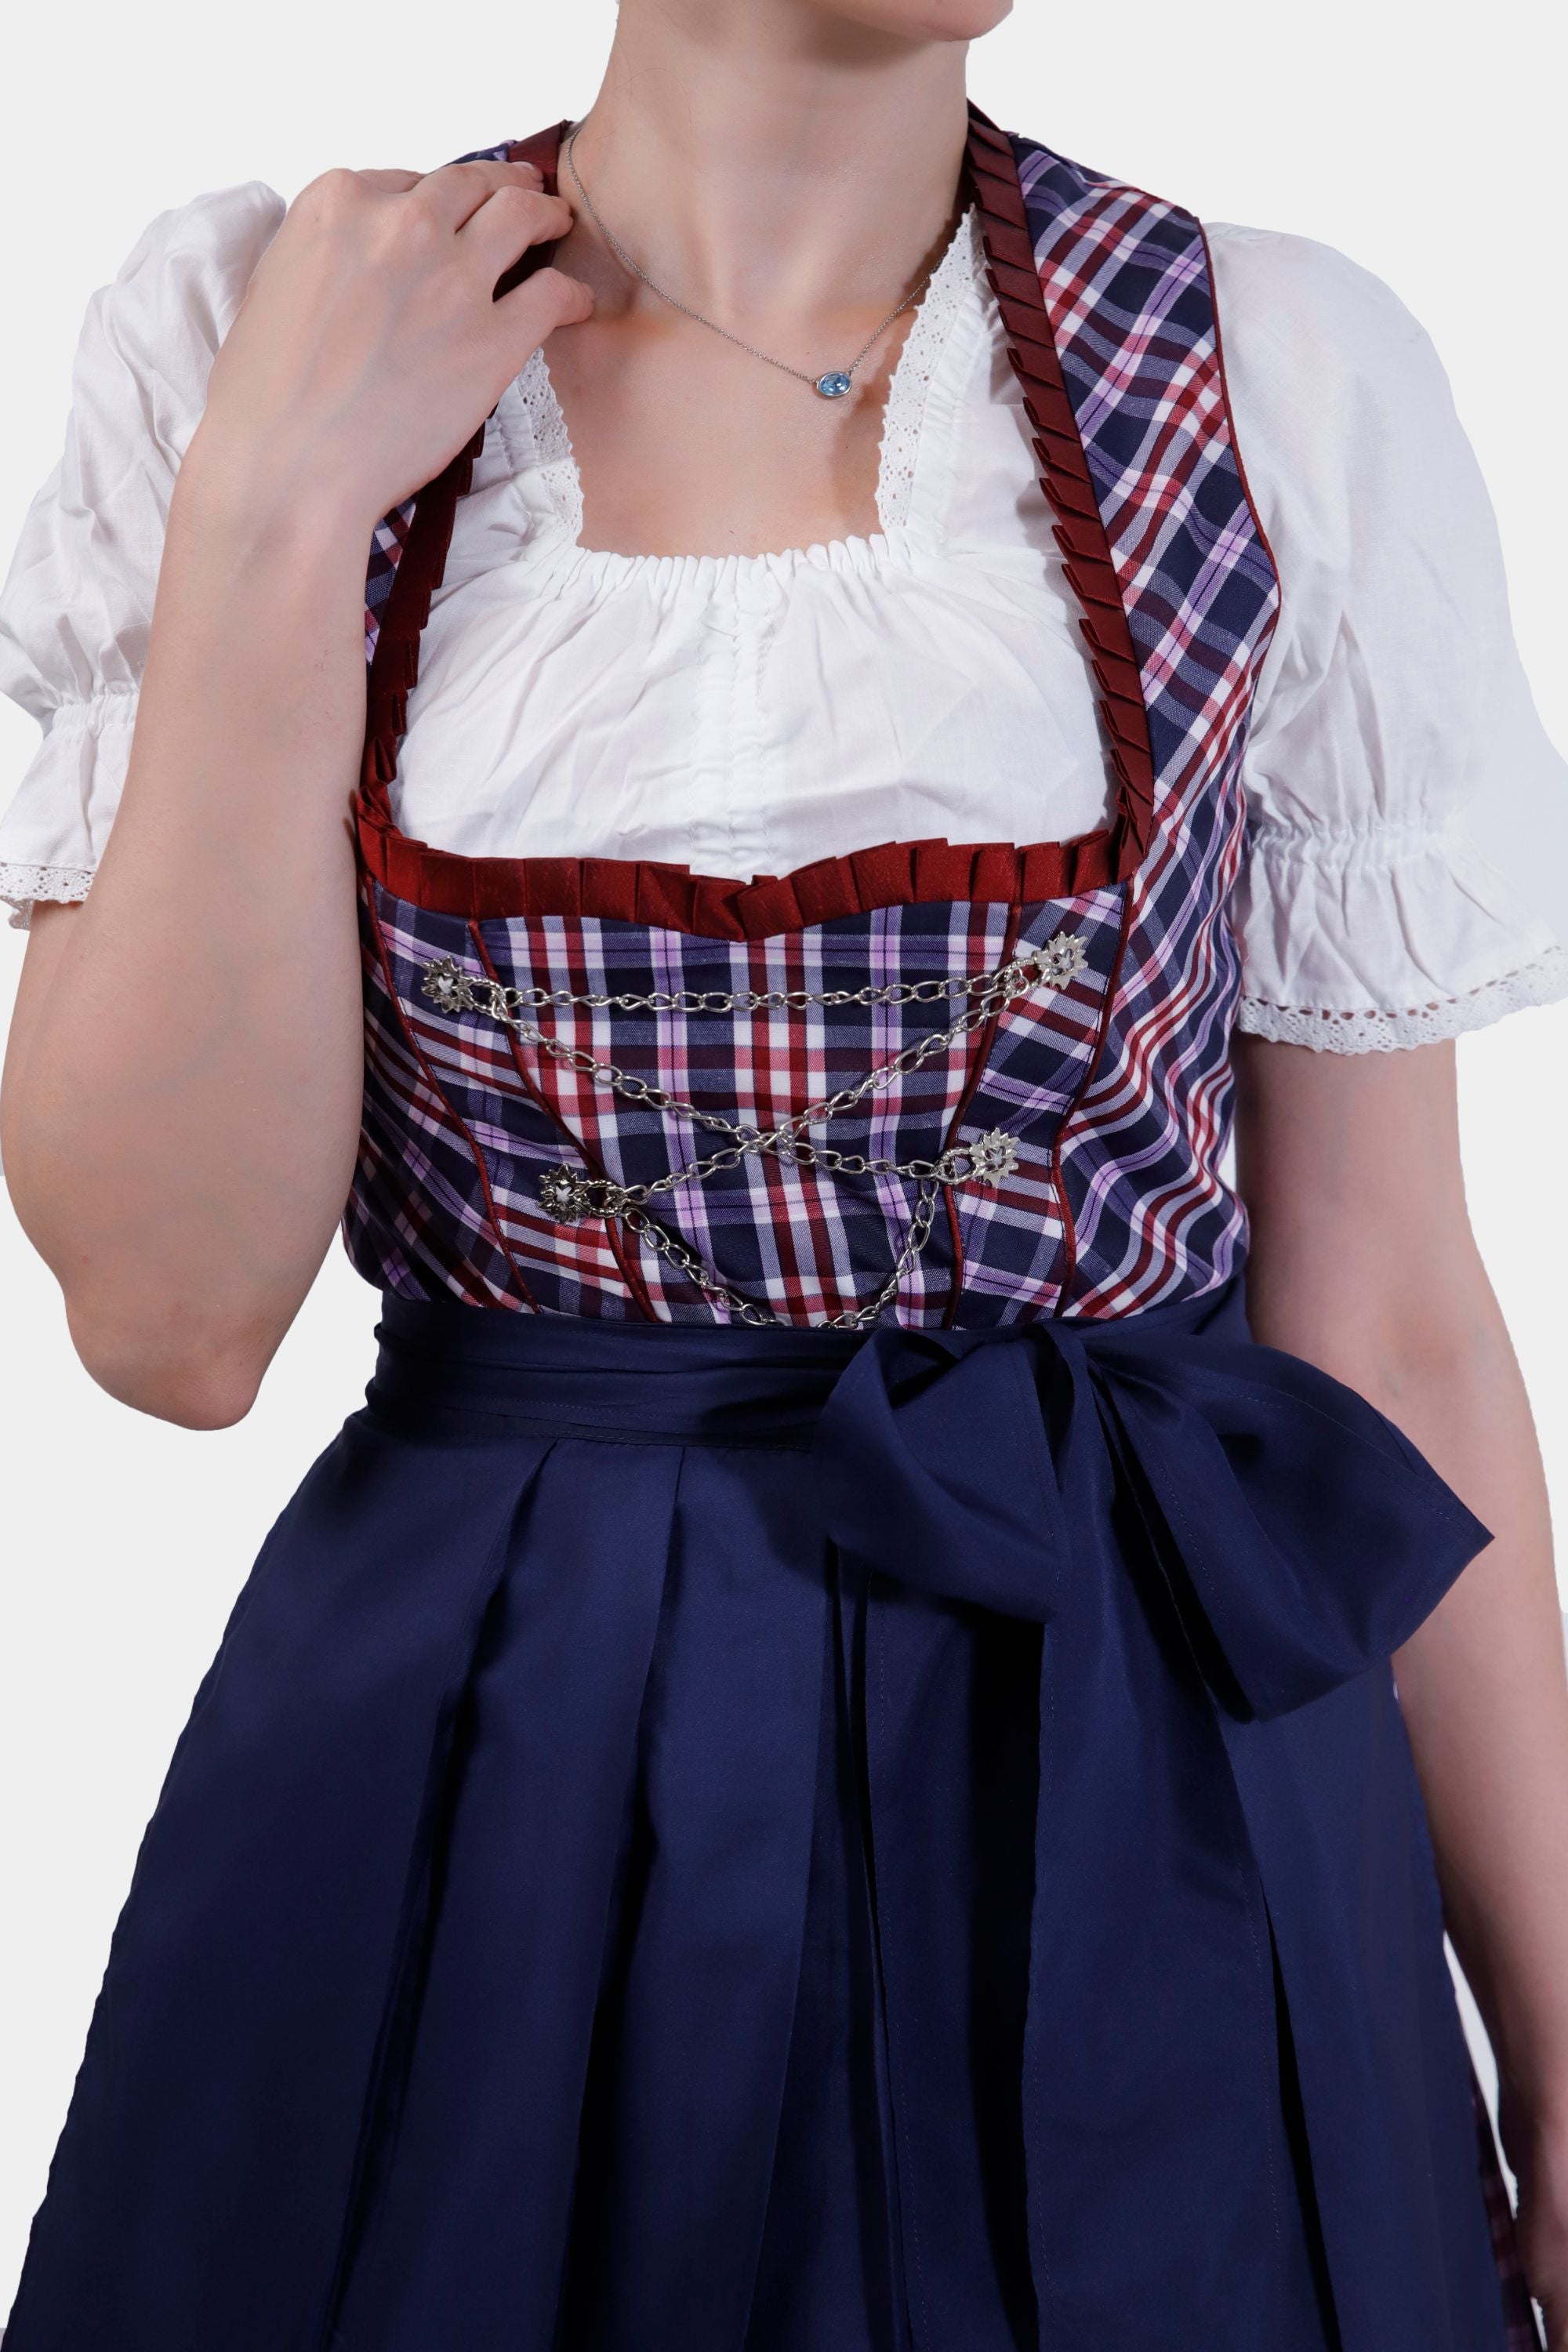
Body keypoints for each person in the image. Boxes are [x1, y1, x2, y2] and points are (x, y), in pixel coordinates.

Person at [2, 1, 1566, 2344]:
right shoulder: (255, 345)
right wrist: (273, 515)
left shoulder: (1274, 378)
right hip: (491, 1795)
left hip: (1155, 1804)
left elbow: (1390, 1313)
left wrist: (1564, 2036)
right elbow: (171, 1319)